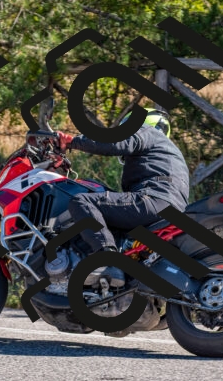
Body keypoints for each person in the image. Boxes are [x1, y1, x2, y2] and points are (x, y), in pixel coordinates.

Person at [57, 108, 190, 288]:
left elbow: (114, 143)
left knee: (82, 201)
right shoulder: (170, 153)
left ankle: (107, 261)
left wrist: (73, 142)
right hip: (171, 210)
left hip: (152, 201)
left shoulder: (146, 131)